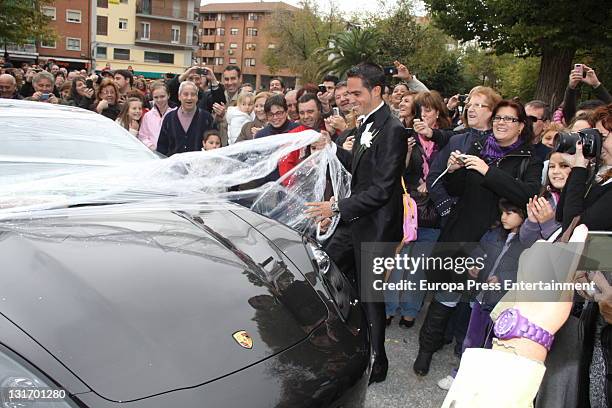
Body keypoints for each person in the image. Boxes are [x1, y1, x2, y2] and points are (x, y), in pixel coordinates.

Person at [416, 99, 543, 376]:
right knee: (446, 294)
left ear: (521, 126)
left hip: (497, 242)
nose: (501, 123)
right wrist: (453, 172)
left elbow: (527, 195)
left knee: (478, 304)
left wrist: (489, 172)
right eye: (498, 117)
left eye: (509, 119)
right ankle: (425, 350)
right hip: (462, 233)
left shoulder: (529, 159)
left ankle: (466, 363)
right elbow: (458, 189)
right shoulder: (477, 147)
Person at [305, 63, 408, 384]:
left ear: (376, 91)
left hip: (377, 227)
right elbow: (359, 166)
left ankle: (378, 362)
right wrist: (333, 148)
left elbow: (381, 189)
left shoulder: (392, 129)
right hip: (356, 221)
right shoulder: (365, 123)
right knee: (328, 269)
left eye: (356, 93)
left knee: (370, 294)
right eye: (348, 92)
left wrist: (335, 206)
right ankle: (343, 338)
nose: (350, 99)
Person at [519, 152, 570, 246]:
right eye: (552, 166)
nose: (555, 171)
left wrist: (547, 222)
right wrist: (532, 222)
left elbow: (565, 245)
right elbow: (526, 242)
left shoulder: (583, 199)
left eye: (564, 166)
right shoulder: (546, 198)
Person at [157, 81, 216, 156]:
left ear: (197, 97)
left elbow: (214, 145)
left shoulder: (207, 118)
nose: (189, 98)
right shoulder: (169, 118)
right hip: (174, 165)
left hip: (198, 165)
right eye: (185, 94)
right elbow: (162, 147)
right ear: (179, 97)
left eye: (193, 94)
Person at [139, 81, 177, 151]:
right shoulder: (147, 116)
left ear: (168, 95)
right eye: (156, 97)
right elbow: (143, 136)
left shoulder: (177, 113)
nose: (159, 100)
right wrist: (151, 146)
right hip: (153, 154)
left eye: (162, 96)